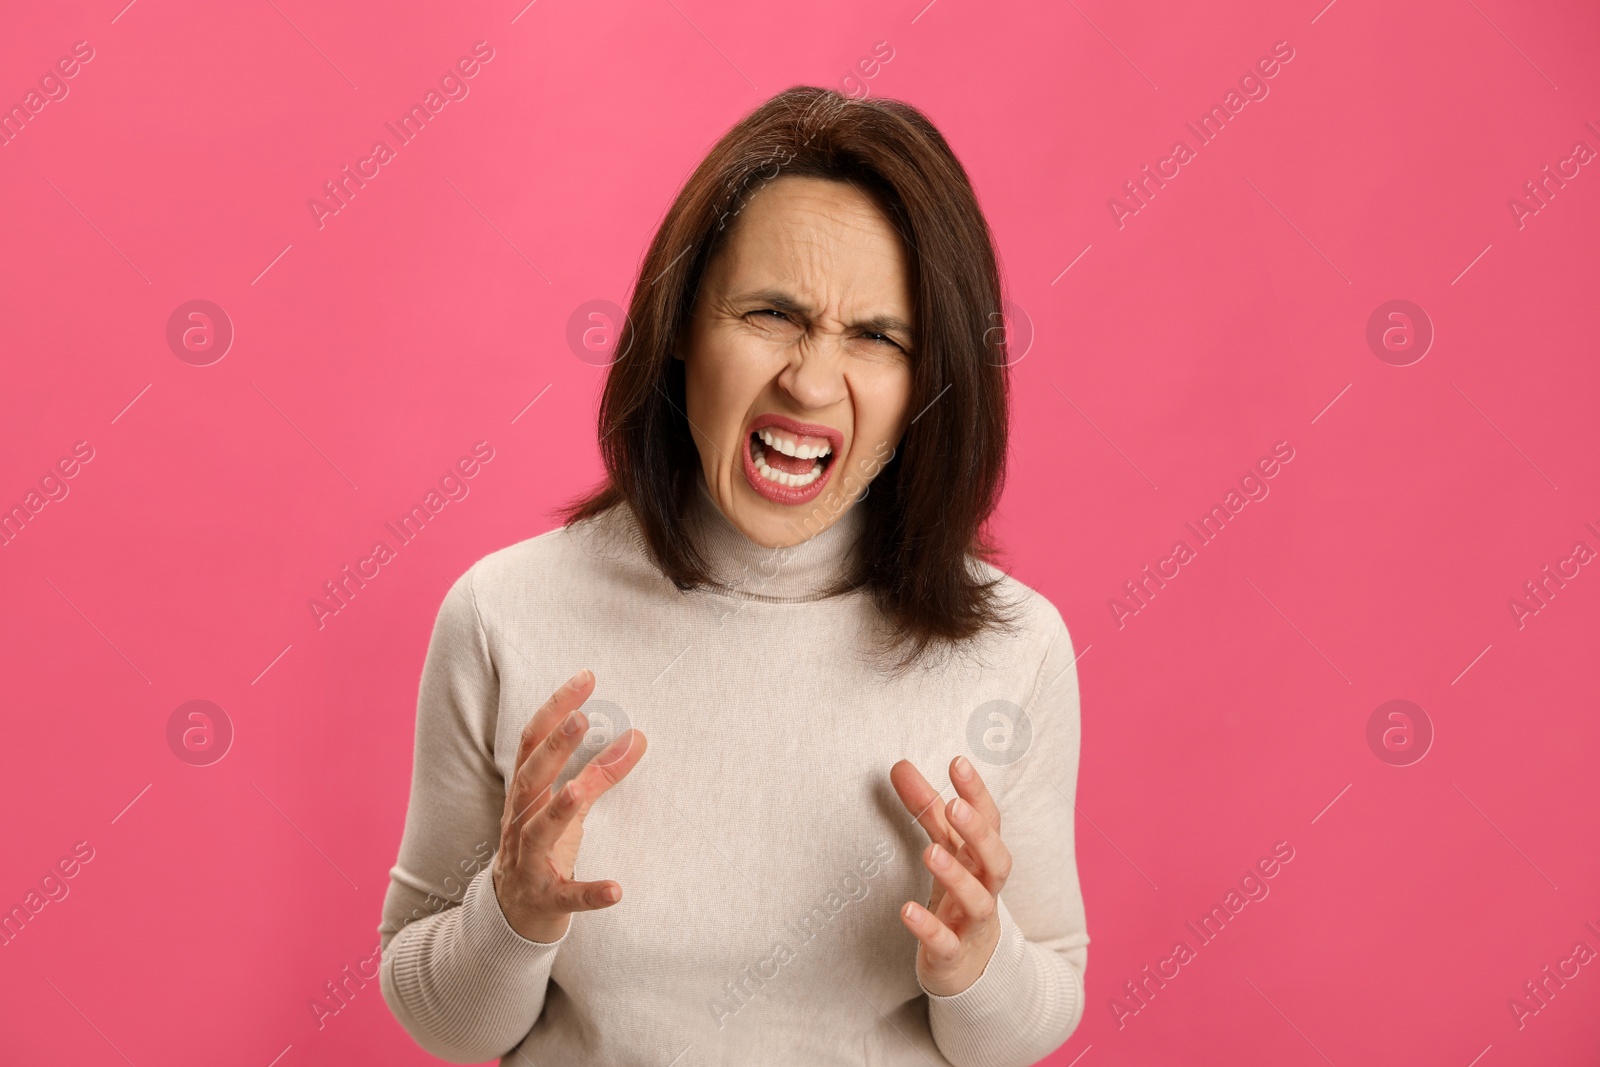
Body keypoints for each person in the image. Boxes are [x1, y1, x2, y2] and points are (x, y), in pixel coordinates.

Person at [378, 85, 1087, 1067]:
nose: (807, 377)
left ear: (929, 383)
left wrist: (977, 960)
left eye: (876, 336)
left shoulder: (1015, 647)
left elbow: (1042, 1000)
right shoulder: (506, 613)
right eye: (770, 313)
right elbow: (442, 1019)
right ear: (679, 326)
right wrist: (511, 913)